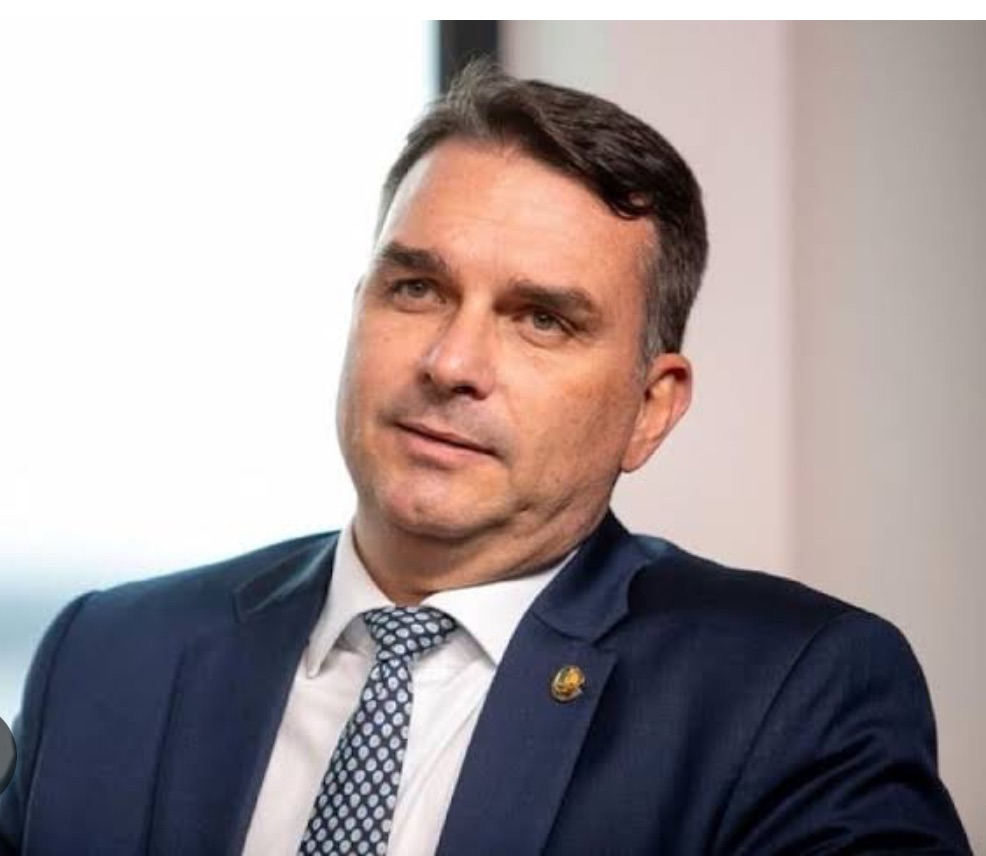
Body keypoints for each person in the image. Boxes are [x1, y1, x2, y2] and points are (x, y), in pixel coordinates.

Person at [0, 62, 971, 855]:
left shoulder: (792, 696)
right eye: (417, 289)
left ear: (650, 409)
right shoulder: (106, 655)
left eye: (541, 318)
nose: (451, 363)